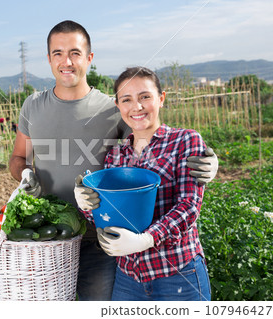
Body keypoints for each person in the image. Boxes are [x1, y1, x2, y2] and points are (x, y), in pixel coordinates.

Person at [9, 20, 218, 301]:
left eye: (75, 52)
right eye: (57, 53)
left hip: (105, 239)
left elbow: (152, 136)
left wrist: (207, 162)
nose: (66, 61)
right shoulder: (33, 106)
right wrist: (25, 173)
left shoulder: (112, 108)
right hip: (50, 236)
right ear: (48, 59)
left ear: (89, 58)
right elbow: (19, 157)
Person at [76, 66, 211, 301]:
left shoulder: (185, 141)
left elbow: (189, 206)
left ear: (161, 98)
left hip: (177, 274)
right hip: (128, 278)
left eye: (145, 97)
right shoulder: (115, 156)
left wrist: (146, 240)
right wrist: (86, 205)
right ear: (118, 106)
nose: (136, 107)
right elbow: (105, 213)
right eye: (126, 99)